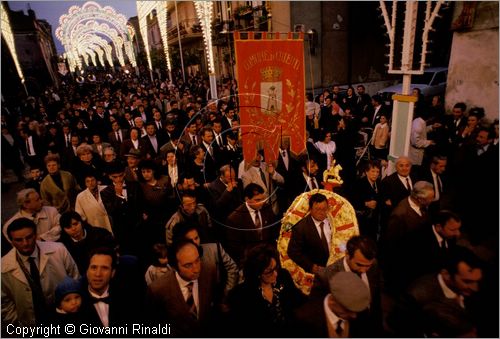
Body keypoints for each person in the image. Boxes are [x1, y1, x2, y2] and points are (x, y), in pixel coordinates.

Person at [388, 246, 483, 337]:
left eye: (477, 281)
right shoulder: (416, 296)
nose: (475, 288)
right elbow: (400, 328)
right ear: (446, 274)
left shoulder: (477, 291)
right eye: (467, 281)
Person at [1, 218, 79, 327]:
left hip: (66, 317)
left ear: (36, 234)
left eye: (29, 237)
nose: (25, 243)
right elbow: (4, 303)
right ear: (11, 241)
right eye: (19, 240)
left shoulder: (59, 250)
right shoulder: (3, 267)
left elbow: (75, 278)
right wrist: (20, 324)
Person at [227, 243, 305, 337]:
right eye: (269, 271)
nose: (275, 274)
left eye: (276, 267)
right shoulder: (241, 295)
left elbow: (298, 300)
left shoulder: (283, 276)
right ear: (257, 272)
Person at [312, 235, 383, 336]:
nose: (363, 270)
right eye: (359, 265)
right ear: (347, 254)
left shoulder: (373, 264)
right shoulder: (326, 276)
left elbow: (376, 299)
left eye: (368, 266)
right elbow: (318, 313)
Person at [145, 240, 220, 336]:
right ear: (174, 267)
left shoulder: (209, 270)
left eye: (197, 260)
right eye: (188, 265)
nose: (196, 269)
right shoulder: (158, 289)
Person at [382, 181, 435, 294]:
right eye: (430, 198)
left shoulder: (423, 206)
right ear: (420, 199)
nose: (433, 200)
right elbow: (392, 243)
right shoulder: (399, 214)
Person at [173, 222, 240, 309]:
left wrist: (226, 294)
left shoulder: (214, 249)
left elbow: (232, 268)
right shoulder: (178, 258)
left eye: (196, 238)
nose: (195, 243)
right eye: (190, 240)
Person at [294, 271, 372, 337]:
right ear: (333, 300)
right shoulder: (303, 319)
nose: (354, 315)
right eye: (348, 309)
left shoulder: (361, 312)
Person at [80, 247, 141, 327]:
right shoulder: (75, 301)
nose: (98, 274)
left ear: (113, 273)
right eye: (94, 267)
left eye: (104, 268)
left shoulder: (128, 297)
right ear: (87, 271)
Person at [225, 183, 279, 265]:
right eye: (257, 200)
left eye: (263, 199)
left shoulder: (266, 208)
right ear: (247, 199)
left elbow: (273, 232)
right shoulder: (235, 219)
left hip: (269, 256)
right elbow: (236, 248)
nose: (261, 202)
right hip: (250, 261)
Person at [100, 161, 144, 256]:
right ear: (109, 176)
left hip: (138, 228)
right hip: (121, 231)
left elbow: (141, 205)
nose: (119, 179)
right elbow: (112, 211)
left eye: (120, 176)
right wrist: (118, 195)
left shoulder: (135, 185)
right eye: (115, 177)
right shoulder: (105, 192)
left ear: (124, 174)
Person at [288, 193, 332, 275]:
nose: (321, 213)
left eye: (324, 209)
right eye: (317, 209)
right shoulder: (301, 227)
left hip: (334, 267)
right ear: (310, 209)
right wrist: (310, 266)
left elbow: (340, 241)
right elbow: (293, 252)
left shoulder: (333, 223)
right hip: (315, 272)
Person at [349, 160, 383, 242]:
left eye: (377, 172)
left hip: (375, 220)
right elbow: (351, 201)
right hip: (362, 220)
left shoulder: (379, 183)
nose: (375, 174)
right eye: (373, 171)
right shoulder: (358, 184)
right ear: (366, 172)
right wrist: (366, 204)